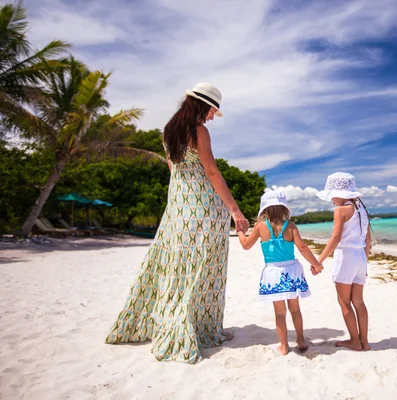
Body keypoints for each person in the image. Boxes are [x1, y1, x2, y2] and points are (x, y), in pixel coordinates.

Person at [105, 82, 249, 363]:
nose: (211, 117)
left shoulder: (168, 131)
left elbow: (175, 171)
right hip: (204, 209)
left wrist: (178, 206)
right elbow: (211, 172)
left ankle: (194, 325)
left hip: (180, 209)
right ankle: (203, 329)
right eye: (211, 111)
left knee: (180, 267)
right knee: (206, 269)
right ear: (201, 105)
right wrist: (235, 210)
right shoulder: (199, 132)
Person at [237, 191, 324, 355]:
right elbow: (303, 248)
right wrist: (316, 264)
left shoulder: (260, 226)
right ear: (284, 207)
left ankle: (284, 346)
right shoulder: (290, 226)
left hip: (273, 273)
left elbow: (246, 245)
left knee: (279, 312)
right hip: (291, 271)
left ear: (264, 208)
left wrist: (241, 231)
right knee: (295, 310)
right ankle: (300, 340)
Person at [316, 172, 371, 351]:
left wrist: (319, 260)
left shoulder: (341, 210)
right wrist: (365, 262)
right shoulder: (362, 210)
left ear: (339, 193)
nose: (331, 198)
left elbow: (335, 238)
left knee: (344, 301)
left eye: (332, 194)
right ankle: (365, 341)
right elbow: (368, 239)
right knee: (359, 302)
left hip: (346, 257)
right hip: (361, 257)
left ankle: (355, 341)